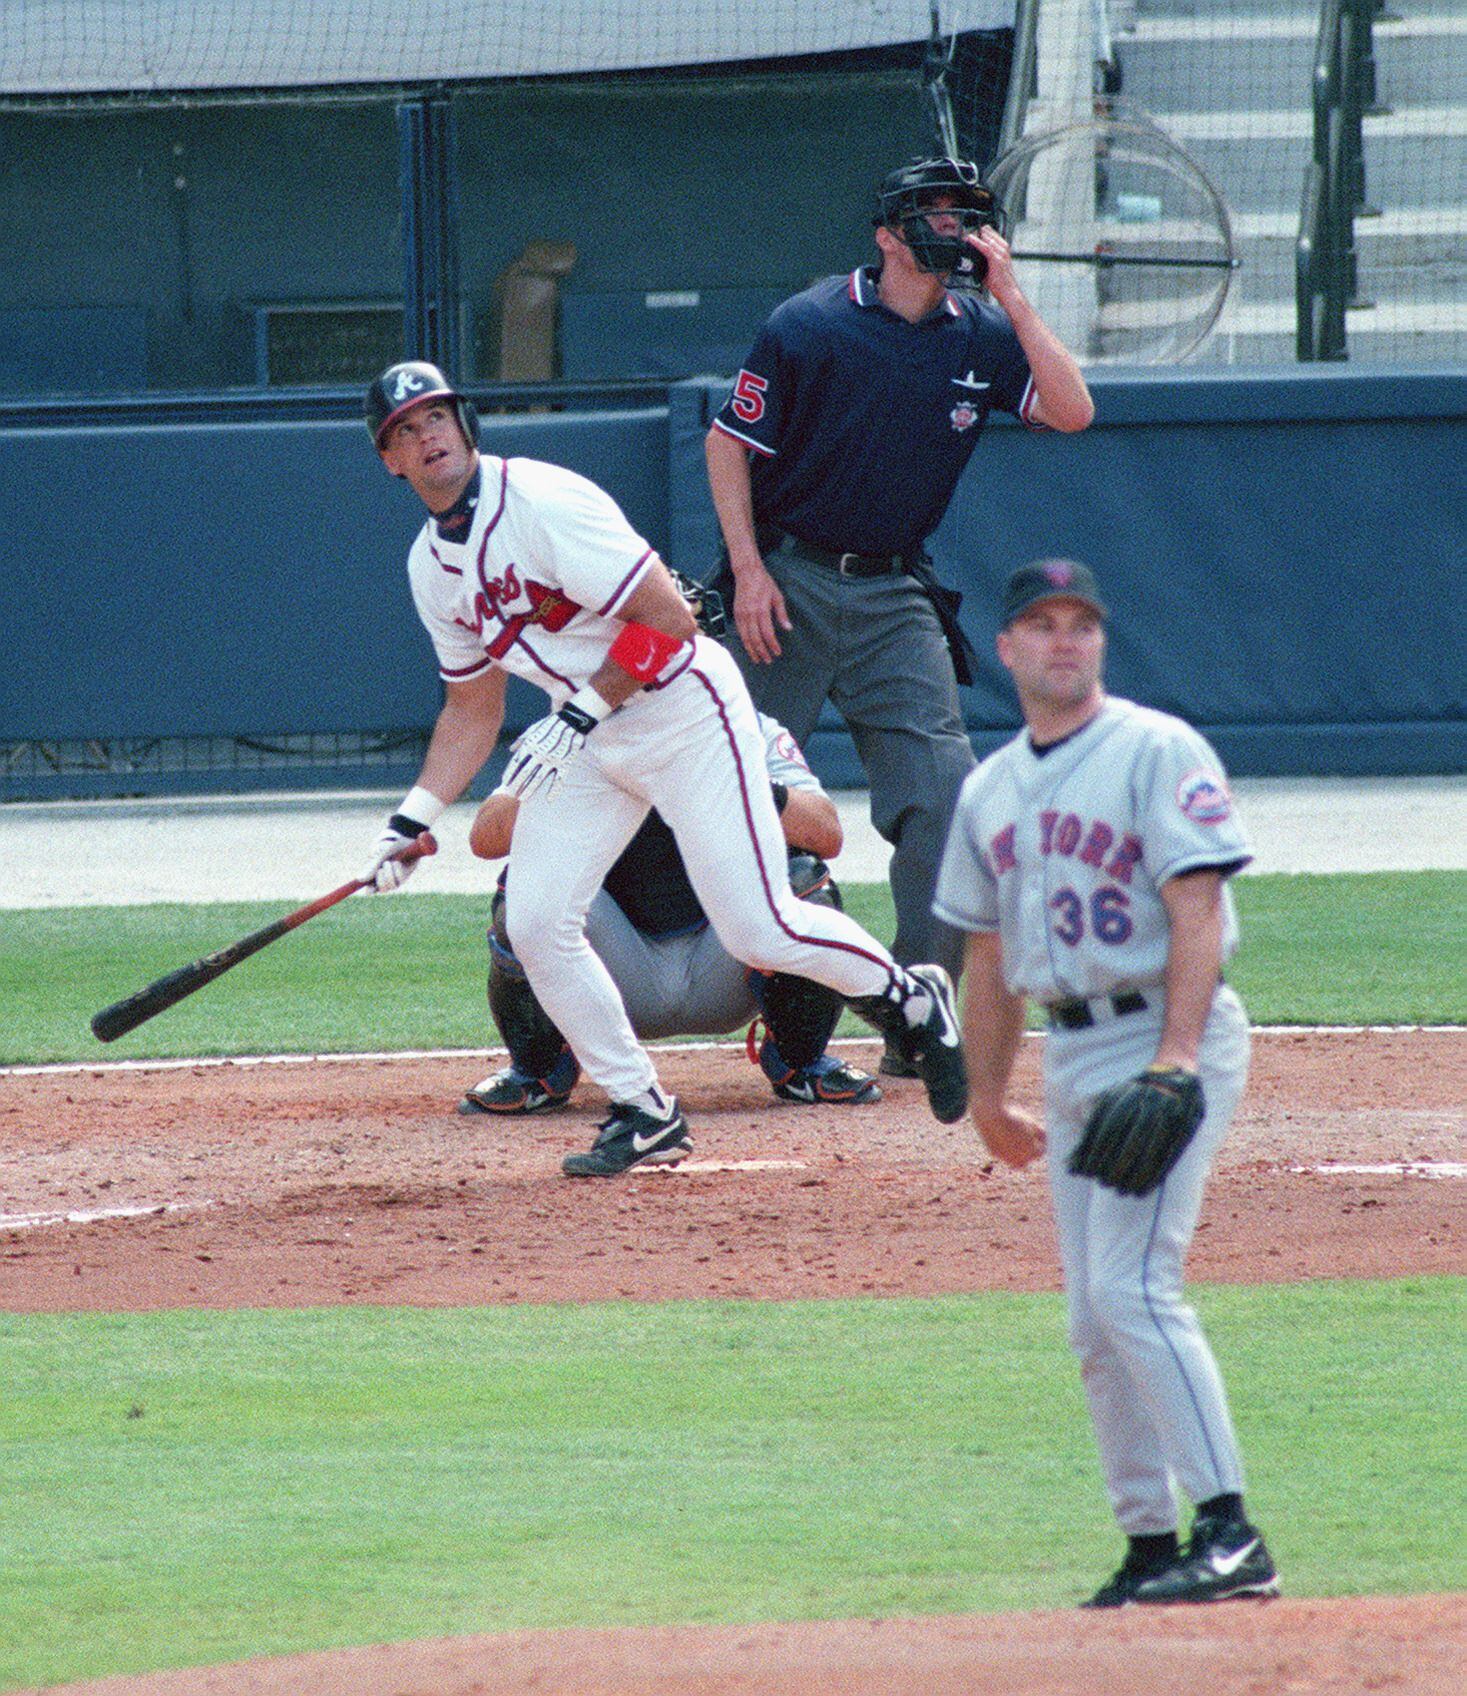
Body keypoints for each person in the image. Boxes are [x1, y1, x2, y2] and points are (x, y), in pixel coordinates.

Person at [358, 359, 967, 1178]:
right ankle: (642, 1109)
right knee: (538, 924)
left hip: (680, 710)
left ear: (464, 424)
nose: (426, 436)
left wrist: (578, 711)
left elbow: (671, 620)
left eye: (435, 417)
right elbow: (471, 710)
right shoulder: (429, 568)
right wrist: (410, 822)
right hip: (594, 732)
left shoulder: (539, 500)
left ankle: (909, 997)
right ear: (389, 460)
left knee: (757, 923)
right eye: (404, 431)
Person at [933, 558, 1279, 1608]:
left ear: (1101, 641)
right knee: (1092, 1315)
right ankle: (1146, 1544)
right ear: (1005, 649)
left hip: (1168, 1037)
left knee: (1134, 1286)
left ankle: (1231, 1533)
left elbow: (1196, 913)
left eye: (1081, 623)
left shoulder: (1154, 748)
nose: (1064, 641)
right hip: (1072, 1049)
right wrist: (988, 1094)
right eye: (1041, 624)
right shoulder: (989, 789)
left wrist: (1175, 1059)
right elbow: (986, 961)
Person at [704, 155, 1094, 1079]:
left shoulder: (985, 334)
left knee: (947, 801)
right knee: (733, 802)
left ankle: (918, 1017)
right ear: (887, 232)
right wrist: (750, 571)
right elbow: (729, 445)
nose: (953, 228)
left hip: (893, 595)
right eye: (934, 213)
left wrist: (1015, 297)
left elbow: (1073, 411)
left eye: (966, 215)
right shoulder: (808, 324)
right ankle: (691, 1010)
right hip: (785, 584)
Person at [459, 701, 880, 1115]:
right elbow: (486, 838)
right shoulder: (571, 730)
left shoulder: (747, 728)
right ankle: (538, 1071)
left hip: (728, 957)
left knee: (804, 880)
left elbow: (827, 834)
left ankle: (801, 1062)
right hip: (610, 970)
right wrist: (574, 767)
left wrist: (737, 780)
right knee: (527, 889)